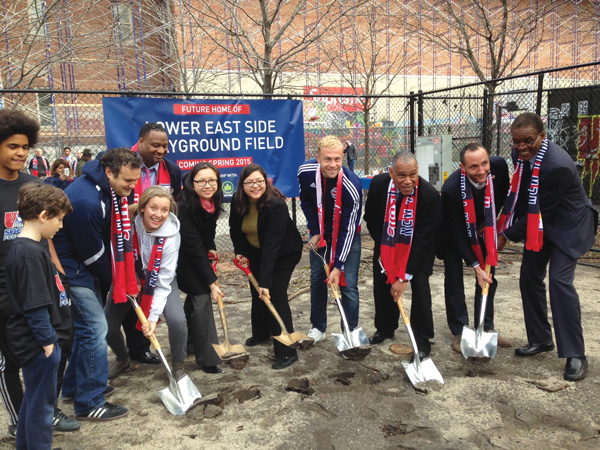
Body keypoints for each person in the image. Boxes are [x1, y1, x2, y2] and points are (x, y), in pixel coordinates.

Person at [497, 112, 598, 381]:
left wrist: (505, 235)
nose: (521, 147)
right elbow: (521, 196)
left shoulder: (558, 166)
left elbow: (540, 209)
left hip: (568, 227)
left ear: (542, 137)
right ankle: (541, 339)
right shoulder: (522, 155)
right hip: (541, 224)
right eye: (516, 142)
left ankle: (576, 354)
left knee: (559, 282)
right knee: (529, 276)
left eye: (527, 141)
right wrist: (501, 223)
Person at [0, 109, 79, 439]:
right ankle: (23, 421)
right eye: (12, 146)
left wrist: (61, 280)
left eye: (25, 147)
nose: (20, 153)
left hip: (37, 282)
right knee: (11, 360)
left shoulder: (33, 186)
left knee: (55, 345)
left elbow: (47, 242)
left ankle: (42, 412)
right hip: (6, 292)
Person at [53, 147, 141, 420]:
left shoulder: (104, 189)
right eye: (127, 181)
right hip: (72, 271)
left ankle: (74, 387)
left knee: (85, 331)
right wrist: (118, 281)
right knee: (95, 328)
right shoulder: (87, 201)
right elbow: (91, 253)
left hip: (83, 268)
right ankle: (89, 402)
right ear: (109, 173)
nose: (132, 186)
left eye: (135, 180)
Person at [5, 183, 73, 450]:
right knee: (42, 408)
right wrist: (49, 345)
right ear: (44, 215)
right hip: (38, 345)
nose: (61, 226)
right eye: (59, 219)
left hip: (32, 342)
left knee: (33, 402)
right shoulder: (30, 253)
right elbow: (35, 305)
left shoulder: (25, 247)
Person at [114, 122, 183, 370]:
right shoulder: (125, 165)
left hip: (155, 245)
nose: (161, 150)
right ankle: (130, 352)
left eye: (165, 145)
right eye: (155, 144)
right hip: (128, 244)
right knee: (125, 307)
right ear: (140, 142)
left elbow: (173, 204)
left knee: (152, 293)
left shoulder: (171, 171)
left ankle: (143, 351)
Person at [105, 186, 187, 380]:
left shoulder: (171, 237)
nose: (158, 214)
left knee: (177, 321)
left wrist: (151, 317)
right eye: (153, 208)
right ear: (143, 207)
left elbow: (163, 281)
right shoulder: (127, 223)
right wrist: (129, 280)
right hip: (127, 277)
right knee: (107, 326)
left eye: (164, 210)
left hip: (159, 281)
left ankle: (178, 366)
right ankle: (123, 358)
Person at [364, 152, 439, 358]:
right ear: (391, 173)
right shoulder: (379, 185)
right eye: (401, 176)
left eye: (412, 175)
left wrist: (404, 275)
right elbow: (370, 218)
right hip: (387, 243)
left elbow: (423, 238)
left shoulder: (429, 195)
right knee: (382, 285)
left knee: (420, 286)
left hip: (418, 248)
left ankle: (422, 340)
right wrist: (386, 247)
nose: (408, 181)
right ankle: (385, 328)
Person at [230, 164, 303, 369]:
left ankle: (287, 351)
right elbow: (235, 230)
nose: (255, 186)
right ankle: (261, 334)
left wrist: (265, 281)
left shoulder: (276, 205)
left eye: (259, 181)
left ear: (266, 182)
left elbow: (272, 247)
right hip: (256, 250)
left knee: (274, 294)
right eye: (250, 182)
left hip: (283, 253)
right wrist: (240, 251)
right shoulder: (238, 201)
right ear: (242, 185)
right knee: (257, 293)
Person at [440, 143, 511, 353]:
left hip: (481, 225)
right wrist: (474, 265)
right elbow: (457, 234)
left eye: (484, 163)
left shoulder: (498, 168)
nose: (481, 171)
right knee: (454, 278)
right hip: (452, 232)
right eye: (473, 167)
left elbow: (503, 196)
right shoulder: (451, 190)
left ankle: (486, 327)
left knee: (488, 277)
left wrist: (489, 221)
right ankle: (459, 330)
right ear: (463, 167)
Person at [298, 135, 363, 344]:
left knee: (348, 284)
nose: (333, 164)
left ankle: (349, 330)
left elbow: (349, 228)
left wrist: (338, 266)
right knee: (317, 279)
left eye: (337, 159)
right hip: (320, 233)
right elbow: (307, 202)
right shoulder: (306, 173)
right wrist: (314, 230)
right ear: (317, 157)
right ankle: (318, 327)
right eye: (327, 159)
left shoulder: (352, 185)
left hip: (347, 235)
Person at [176, 162, 223, 374]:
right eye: (201, 181)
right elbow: (193, 247)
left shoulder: (211, 203)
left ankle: (190, 343)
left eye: (212, 180)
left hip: (195, 255)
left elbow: (206, 235)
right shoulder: (183, 207)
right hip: (179, 259)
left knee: (197, 298)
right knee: (202, 295)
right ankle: (208, 358)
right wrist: (212, 282)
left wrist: (211, 247)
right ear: (192, 184)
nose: (207, 185)